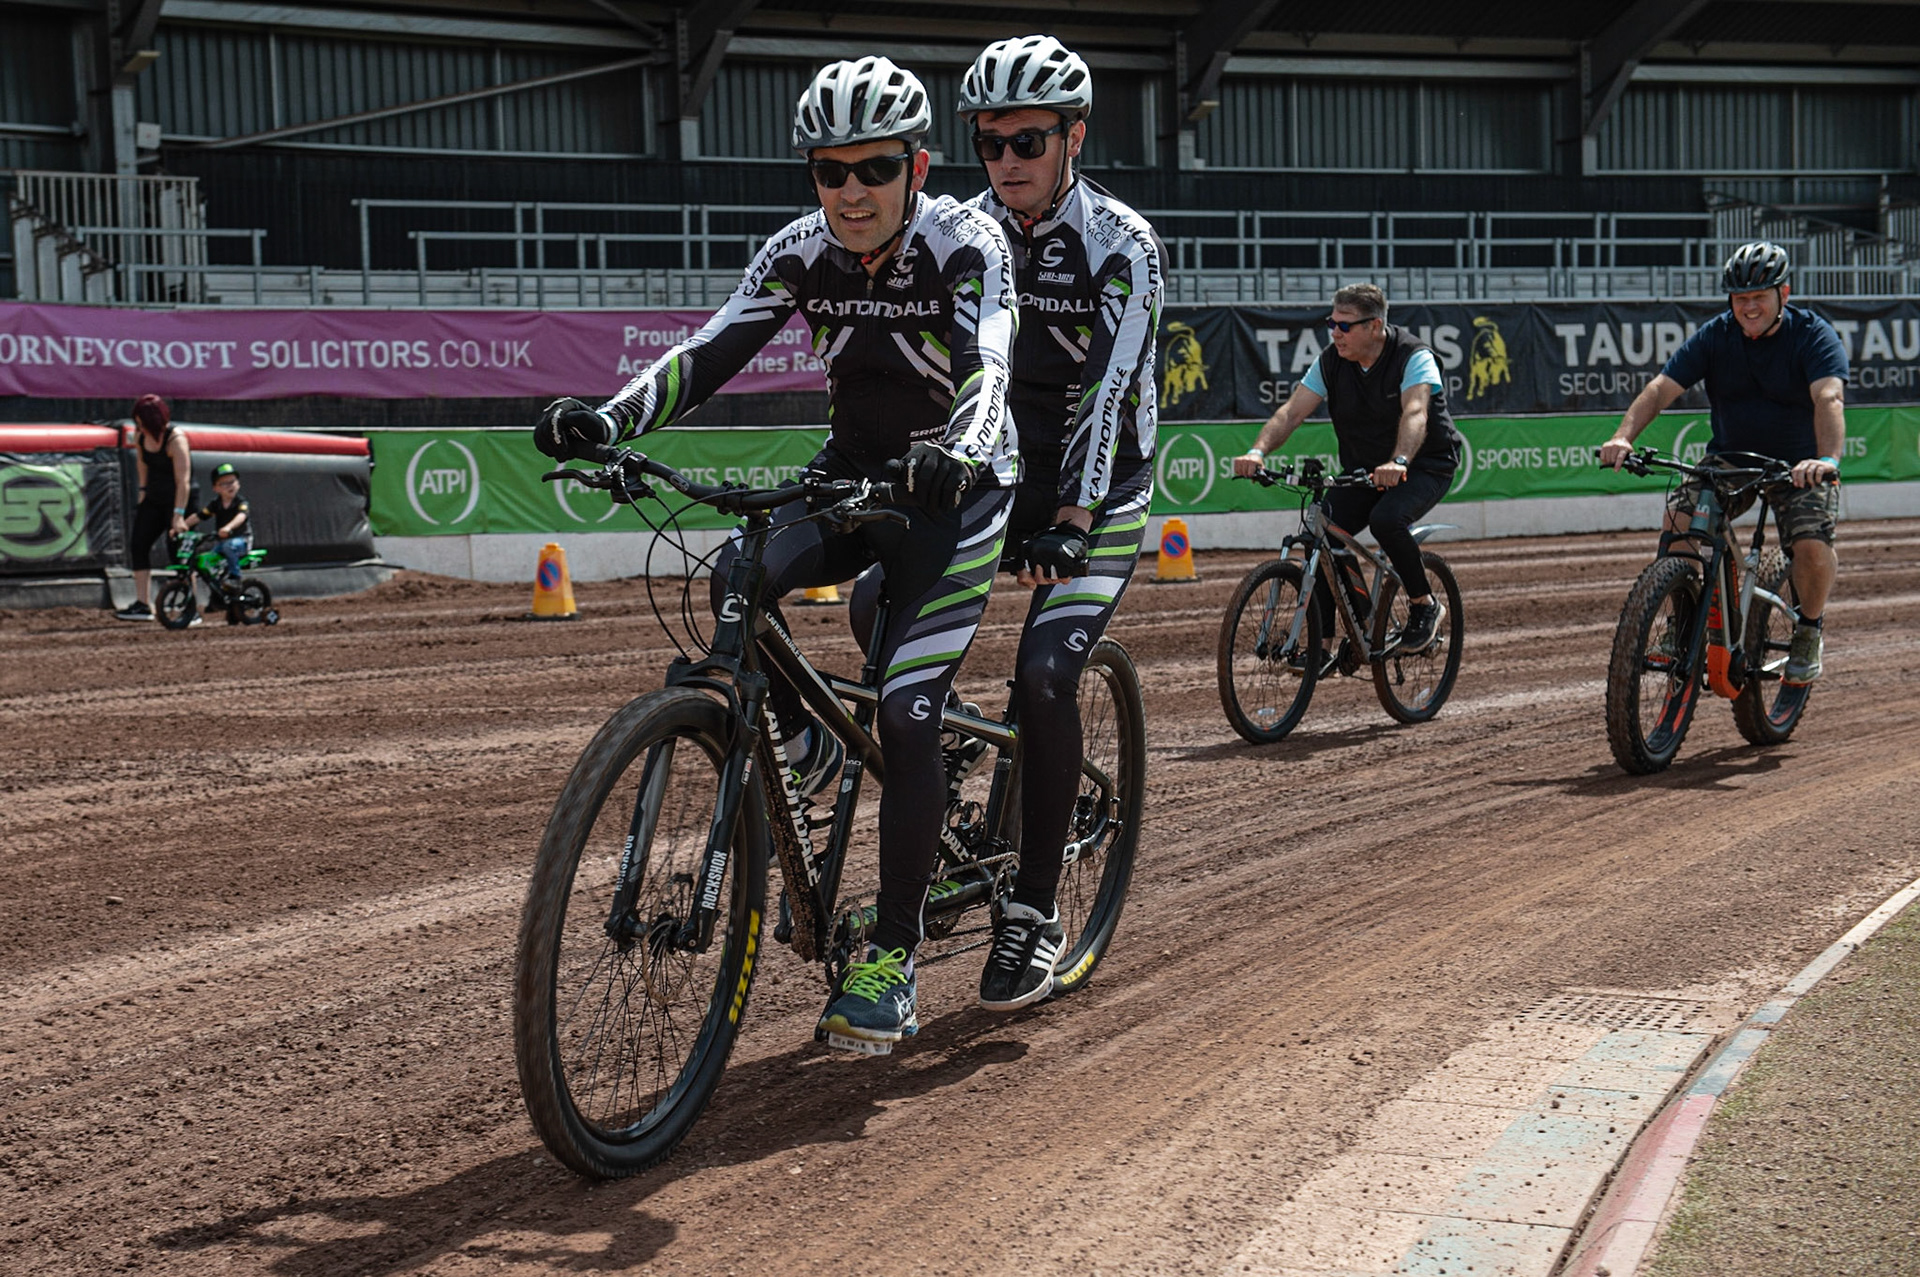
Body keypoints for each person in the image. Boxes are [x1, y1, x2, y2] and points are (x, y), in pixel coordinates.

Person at [532, 56, 1018, 1054]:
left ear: (918, 166)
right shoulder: (802, 250)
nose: (849, 191)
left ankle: (889, 959)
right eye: (828, 170)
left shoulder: (964, 242)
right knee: (732, 578)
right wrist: (608, 418)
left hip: (955, 491)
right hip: (850, 471)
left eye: (874, 169)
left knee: (911, 709)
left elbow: (989, 361)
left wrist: (959, 451)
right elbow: (709, 352)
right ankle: (806, 755)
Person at [952, 34, 1161, 1011]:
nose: (1007, 163)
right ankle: (949, 769)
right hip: (1002, 466)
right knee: (877, 604)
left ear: (1074, 137)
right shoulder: (963, 230)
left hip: (1102, 482)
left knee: (1043, 673)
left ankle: (1033, 913)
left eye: (1028, 141)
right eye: (989, 143)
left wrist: (1073, 517)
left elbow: (1107, 394)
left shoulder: (1123, 241)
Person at [1599, 241, 1846, 684]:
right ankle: (1681, 622)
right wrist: (1622, 436)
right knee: (1679, 518)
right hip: (1730, 460)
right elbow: (1660, 389)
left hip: (1797, 466)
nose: (1749, 307)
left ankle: (1809, 630)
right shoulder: (1717, 336)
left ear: (1783, 294)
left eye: (1759, 297)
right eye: (1739, 298)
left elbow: (1828, 396)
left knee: (1810, 541)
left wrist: (1825, 458)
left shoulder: (1812, 335)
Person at [1232, 283, 1462, 663]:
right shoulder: (1331, 361)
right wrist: (1257, 451)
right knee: (1319, 529)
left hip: (1425, 464)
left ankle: (1424, 604)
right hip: (1364, 470)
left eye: (1344, 325)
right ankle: (1323, 646)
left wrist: (1400, 462)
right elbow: (1292, 412)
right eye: (1331, 323)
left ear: (1375, 326)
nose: (1335, 333)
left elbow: (1416, 412)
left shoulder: (1413, 356)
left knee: (1386, 519)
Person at [115, 394, 192, 622]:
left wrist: (178, 515)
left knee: (179, 550)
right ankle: (142, 604)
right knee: (139, 543)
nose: (139, 426)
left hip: (178, 498)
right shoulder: (140, 437)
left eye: (142, 421)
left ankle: (190, 605)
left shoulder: (175, 438)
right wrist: (142, 493)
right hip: (154, 497)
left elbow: (183, 481)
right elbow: (142, 465)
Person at [183, 463, 252, 582]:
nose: (229, 486)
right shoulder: (215, 504)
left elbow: (241, 516)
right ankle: (217, 586)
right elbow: (200, 516)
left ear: (238, 484)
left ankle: (235, 577)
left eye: (232, 482)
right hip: (222, 542)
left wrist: (228, 528)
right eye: (224, 483)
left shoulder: (241, 502)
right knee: (209, 559)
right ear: (215, 488)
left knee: (228, 547)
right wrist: (181, 525)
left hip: (242, 541)